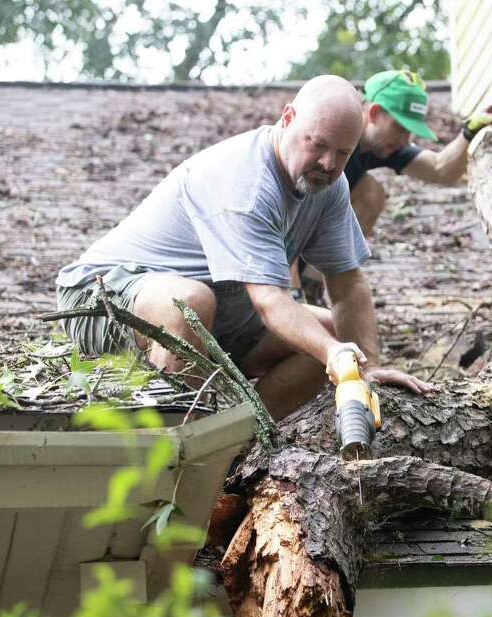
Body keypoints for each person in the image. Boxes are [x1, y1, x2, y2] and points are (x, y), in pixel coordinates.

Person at [55, 75, 434, 421]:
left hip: (223, 313)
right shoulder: (247, 183)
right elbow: (270, 301)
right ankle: (181, 445)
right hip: (101, 297)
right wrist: (333, 355)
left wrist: (366, 366)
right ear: (287, 119)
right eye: (317, 145)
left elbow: (348, 283)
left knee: (330, 332)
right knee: (188, 303)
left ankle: (240, 441)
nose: (328, 164)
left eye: (343, 154)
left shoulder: (328, 187)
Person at [290, 69, 492, 292]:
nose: (405, 139)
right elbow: (283, 215)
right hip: (271, 255)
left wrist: (469, 132)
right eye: (400, 127)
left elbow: (441, 170)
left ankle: (316, 286)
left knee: (371, 193)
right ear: (373, 113)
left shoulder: (383, 146)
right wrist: (292, 291)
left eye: (410, 131)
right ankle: (301, 292)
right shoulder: (325, 139)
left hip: (307, 254)